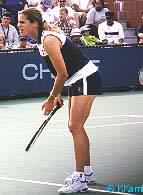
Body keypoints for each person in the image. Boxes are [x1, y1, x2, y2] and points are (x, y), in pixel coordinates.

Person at [18, 7, 102, 193]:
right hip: (77, 80)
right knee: (75, 127)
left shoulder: (48, 39)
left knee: (75, 127)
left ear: (34, 23)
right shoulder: (41, 41)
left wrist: (51, 97)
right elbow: (57, 72)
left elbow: (62, 73)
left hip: (85, 77)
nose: (19, 25)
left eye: (23, 22)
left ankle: (80, 178)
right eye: (19, 22)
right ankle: (87, 172)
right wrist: (57, 95)